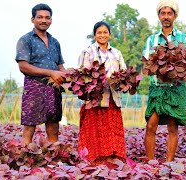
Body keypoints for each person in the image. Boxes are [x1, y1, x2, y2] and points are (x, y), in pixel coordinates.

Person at [143, 0, 186, 162]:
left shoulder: (184, 37)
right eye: (163, 13)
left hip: (176, 88)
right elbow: (147, 62)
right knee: (151, 125)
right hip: (157, 87)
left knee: (173, 126)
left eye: (169, 13)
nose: (166, 17)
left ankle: (169, 162)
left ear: (175, 16)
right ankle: (151, 162)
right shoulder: (151, 39)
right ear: (158, 16)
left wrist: (176, 67)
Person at [77, 21, 127, 165]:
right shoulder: (88, 52)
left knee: (112, 130)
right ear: (94, 35)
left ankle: (113, 159)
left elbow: (123, 72)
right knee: (95, 130)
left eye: (105, 32)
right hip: (95, 99)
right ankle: (94, 160)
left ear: (110, 35)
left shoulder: (116, 53)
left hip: (112, 98)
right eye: (99, 32)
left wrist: (118, 79)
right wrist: (98, 79)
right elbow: (82, 74)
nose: (102, 35)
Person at [15, 3, 66, 145]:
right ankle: (24, 157)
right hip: (34, 87)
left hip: (54, 88)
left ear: (51, 20)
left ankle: (54, 157)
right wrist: (51, 72)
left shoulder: (55, 42)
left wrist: (69, 76)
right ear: (33, 19)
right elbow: (23, 66)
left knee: (53, 125)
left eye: (47, 17)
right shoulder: (26, 40)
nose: (44, 20)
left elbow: (60, 66)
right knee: (30, 125)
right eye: (40, 17)